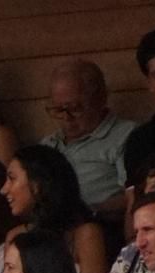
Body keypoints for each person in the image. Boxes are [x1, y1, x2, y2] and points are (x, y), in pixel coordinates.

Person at [42, 60, 135, 222]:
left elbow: (136, 195)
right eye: (58, 110)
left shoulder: (126, 135)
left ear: (100, 99)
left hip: (101, 225)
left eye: (75, 109)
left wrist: (92, 210)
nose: (66, 118)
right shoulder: (47, 144)